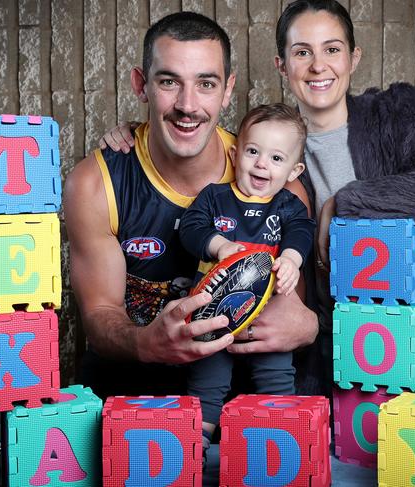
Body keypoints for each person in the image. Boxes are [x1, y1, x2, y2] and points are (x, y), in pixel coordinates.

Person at [100, 0, 415, 394]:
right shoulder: (264, 151)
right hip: (317, 362)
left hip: (406, 341)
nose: (318, 66)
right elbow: (189, 131)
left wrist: (346, 202)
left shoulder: (396, 114)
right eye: (302, 52)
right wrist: (136, 133)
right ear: (282, 65)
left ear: (353, 57)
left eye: (332, 49)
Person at [64, 11, 318, 400]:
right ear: (141, 84)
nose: (187, 104)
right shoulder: (95, 183)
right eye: (169, 82)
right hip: (130, 401)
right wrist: (144, 342)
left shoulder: (278, 187)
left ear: (227, 89)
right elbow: (99, 315)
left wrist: (307, 325)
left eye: (206, 83)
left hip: (238, 410)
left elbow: (292, 312)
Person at [178, 103, 316, 455]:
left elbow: (301, 233)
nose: (261, 164)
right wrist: (219, 244)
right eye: (253, 152)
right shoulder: (215, 196)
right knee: (206, 384)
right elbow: (191, 229)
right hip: (215, 313)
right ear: (236, 154)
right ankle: (196, 448)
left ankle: (282, 442)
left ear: (293, 169)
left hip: (266, 316)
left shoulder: (287, 206)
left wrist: (290, 259)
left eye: (276, 158)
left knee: (276, 375)